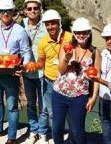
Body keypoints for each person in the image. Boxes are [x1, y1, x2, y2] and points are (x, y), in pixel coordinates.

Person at [0, 0, 31, 144]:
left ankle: (11, 137)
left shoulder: (20, 31)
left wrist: (23, 66)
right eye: (2, 11)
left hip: (11, 73)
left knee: (12, 107)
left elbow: (26, 52)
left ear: (13, 12)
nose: (5, 14)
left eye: (8, 11)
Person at [50, 17, 101, 144]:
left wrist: (94, 96)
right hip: (60, 93)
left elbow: (97, 76)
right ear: (74, 33)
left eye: (84, 32)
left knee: (78, 131)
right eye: (78, 32)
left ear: (89, 33)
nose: (81, 35)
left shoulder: (94, 52)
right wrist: (66, 58)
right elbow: (61, 70)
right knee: (56, 128)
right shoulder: (67, 47)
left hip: (80, 96)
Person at [36, 10, 72, 142]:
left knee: (70, 113)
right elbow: (41, 62)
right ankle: (57, 138)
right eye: (47, 24)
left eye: (53, 24)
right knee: (52, 112)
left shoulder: (70, 38)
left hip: (68, 81)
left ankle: (71, 136)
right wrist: (32, 66)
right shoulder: (43, 42)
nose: (50, 27)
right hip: (50, 81)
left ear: (59, 23)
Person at [20, 0, 49, 144]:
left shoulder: (46, 25)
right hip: (27, 72)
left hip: (44, 72)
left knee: (43, 105)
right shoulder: (21, 24)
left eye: (35, 8)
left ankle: (43, 132)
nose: (32, 11)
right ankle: (33, 130)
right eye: (29, 8)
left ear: (40, 9)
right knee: (31, 103)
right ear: (25, 10)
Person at [90, 22, 111, 144]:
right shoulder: (104, 54)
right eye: (107, 38)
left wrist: (99, 80)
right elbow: (98, 74)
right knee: (106, 128)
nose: (109, 41)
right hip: (103, 99)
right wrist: (94, 96)